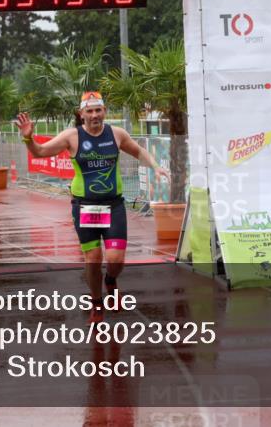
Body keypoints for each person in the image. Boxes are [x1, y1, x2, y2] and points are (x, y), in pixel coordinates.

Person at [15, 92, 169, 322]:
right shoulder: (71, 137)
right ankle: (97, 303)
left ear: (104, 111)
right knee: (94, 257)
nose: (95, 115)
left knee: (116, 258)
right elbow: (40, 152)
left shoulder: (116, 134)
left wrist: (155, 166)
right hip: (87, 206)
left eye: (99, 110)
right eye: (90, 111)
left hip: (113, 205)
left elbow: (139, 151)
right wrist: (28, 138)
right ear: (81, 114)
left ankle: (110, 280)